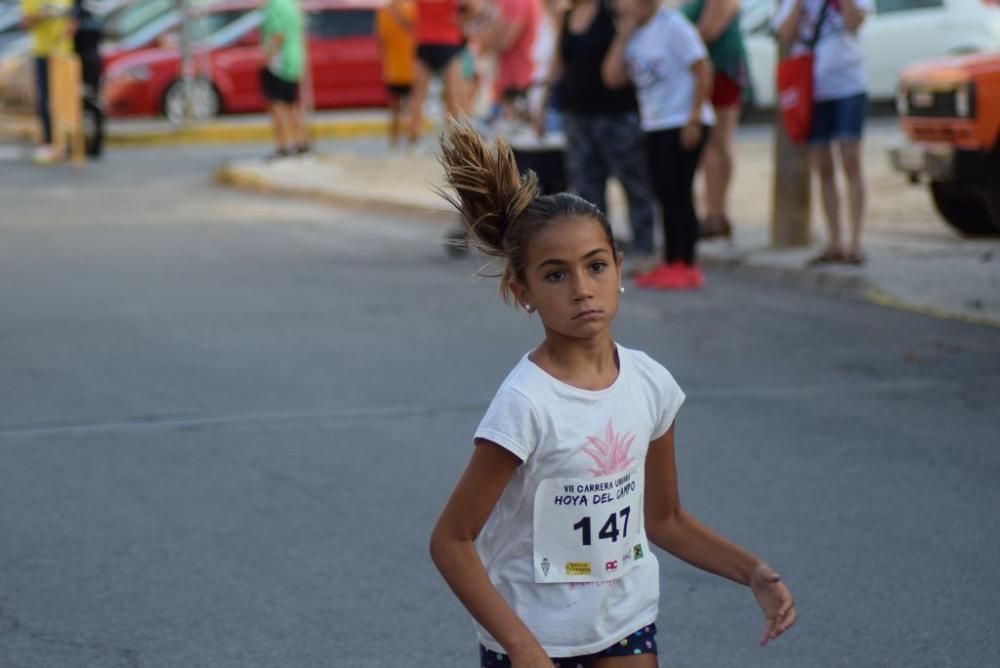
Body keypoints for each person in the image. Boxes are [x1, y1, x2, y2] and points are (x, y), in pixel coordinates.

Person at [429, 122, 797, 666]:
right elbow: (451, 541)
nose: (581, 288)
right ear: (521, 291)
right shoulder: (527, 404)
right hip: (535, 639)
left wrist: (751, 571)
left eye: (595, 266)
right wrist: (520, 645)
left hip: (625, 623)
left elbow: (664, 518)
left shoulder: (650, 383)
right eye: (555, 275)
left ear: (618, 270)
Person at [603, 0, 714, 290]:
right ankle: (671, 260)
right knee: (663, 193)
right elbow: (613, 78)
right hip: (654, 123)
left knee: (680, 192)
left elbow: (702, 68)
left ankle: (686, 263)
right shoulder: (633, 32)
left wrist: (693, 119)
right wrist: (623, 36)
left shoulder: (673, 26)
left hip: (682, 120)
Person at [545, 0, 656, 267]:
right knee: (586, 187)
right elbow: (558, 66)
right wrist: (543, 104)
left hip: (615, 114)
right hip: (577, 116)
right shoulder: (568, 16)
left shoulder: (614, 11)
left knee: (632, 180)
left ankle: (644, 247)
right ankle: (596, 252)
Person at [775, 0, 870, 266]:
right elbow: (784, 33)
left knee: (851, 160)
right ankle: (834, 241)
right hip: (813, 89)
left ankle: (856, 242)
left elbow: (854, 22)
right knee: (823, 167)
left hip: (849, 84)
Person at [682, 0, 748, 239]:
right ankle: (714, 213)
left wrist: (675, 44)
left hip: (720, 69)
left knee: (716, 142)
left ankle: (716, 213)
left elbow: (709, 30)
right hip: (710, 69)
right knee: (715, 144)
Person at [463, 0, 540, 119]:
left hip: (515, 81)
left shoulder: (518, 2)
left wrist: (471, 33)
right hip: (503, 82)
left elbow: (504, 41)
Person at [20, 0, 73, 164]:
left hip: (63, 54)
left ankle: (63, 143)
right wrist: (42, 16)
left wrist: (65, 32)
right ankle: (48, 143)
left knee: (64, 101)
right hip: (42, 53)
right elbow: (25, 24)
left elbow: (72, 22)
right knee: (45, 100)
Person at [408, 0, 466, 144]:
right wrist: (463, 25)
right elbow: (475, 7)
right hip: (448, 40)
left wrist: (410, 27)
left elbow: (394, 7)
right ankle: (457, 142)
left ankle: (414, 140)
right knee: (453, 96)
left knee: (418, 96)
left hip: (425, 40)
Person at [259, 0, 308, 159]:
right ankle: (301, 142)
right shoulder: (292, 4)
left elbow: (278, 35)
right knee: (292, 104)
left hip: (278, 63)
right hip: (294, 60)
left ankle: (282, 146)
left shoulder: (274, 5)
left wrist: (266, 59)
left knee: (277, 105)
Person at [376, 0, 417, 148]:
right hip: (404, 67)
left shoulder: (386, 11)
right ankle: (408, 141)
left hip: (398, 68)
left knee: (397, 109)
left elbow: (381, 42)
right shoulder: (411, 8)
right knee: (407, 108)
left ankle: (396, 142)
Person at [72, 0, 103, 158]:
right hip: (94, 56)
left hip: (82, 59)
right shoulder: (95, 5)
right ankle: (95, 144)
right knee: (94, 101)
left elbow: (72, 28)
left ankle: (86, 144)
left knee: (85, 102)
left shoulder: (78, 6)